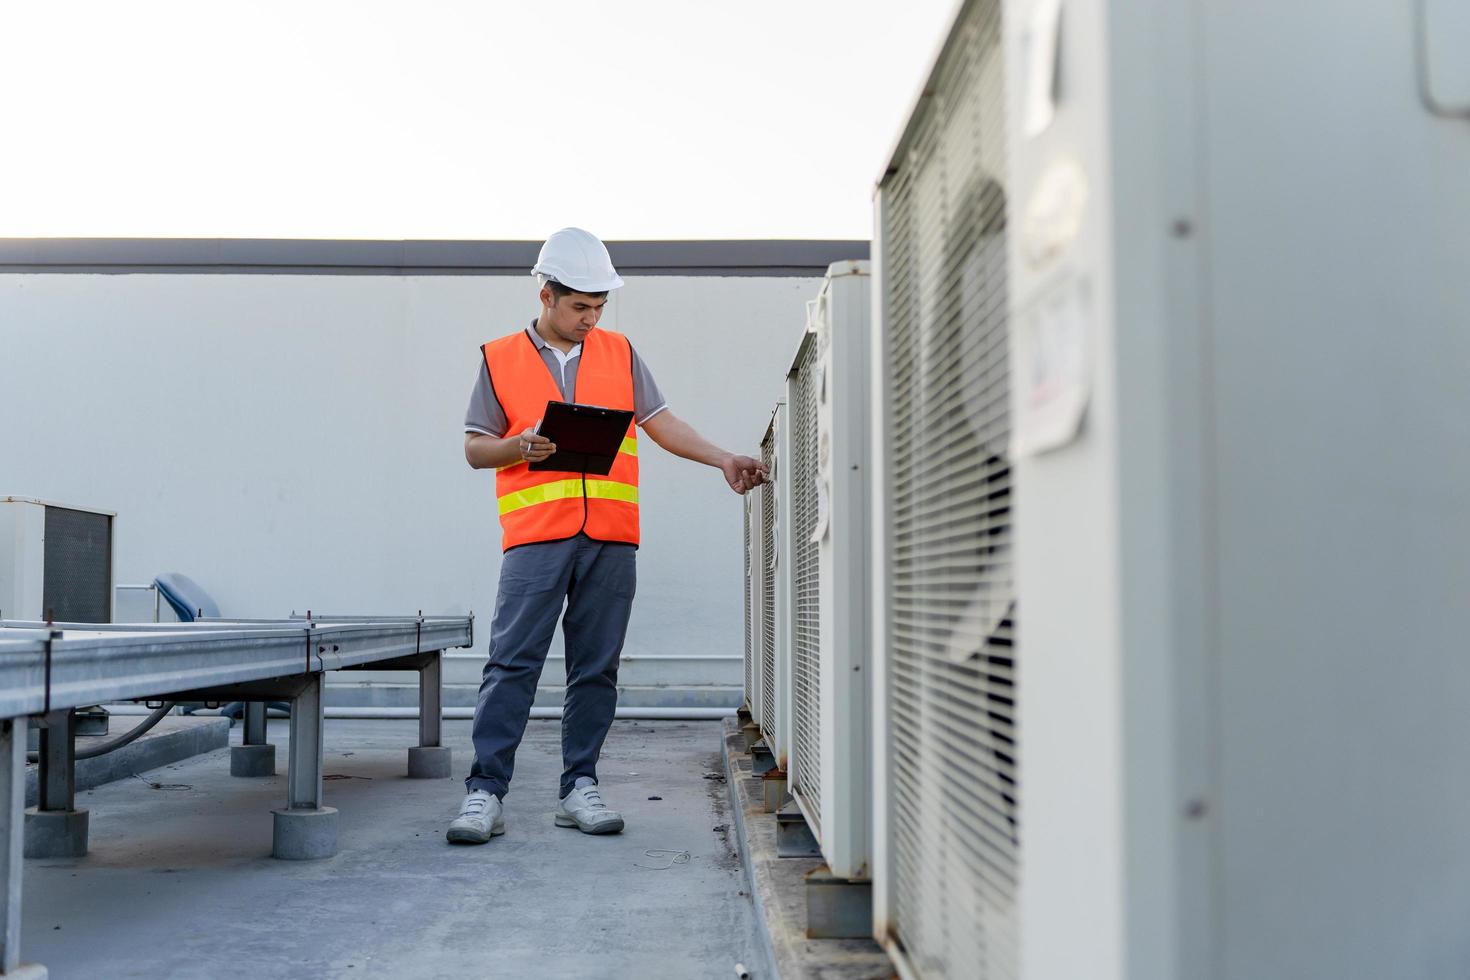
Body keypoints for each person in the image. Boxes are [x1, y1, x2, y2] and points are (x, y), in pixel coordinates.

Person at [447, 227, 768, 844]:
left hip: (611, 538)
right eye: (580, 307)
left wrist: (722, 457)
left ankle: (579, 788)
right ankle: (484, 792)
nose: (592, 318)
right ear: (547, 294)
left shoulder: (619, 352)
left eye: (599, 307)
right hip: (536, 537)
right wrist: (518, 446)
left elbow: (661, 422)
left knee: (596, 668)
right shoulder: (499, 358)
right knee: (511, 665)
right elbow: (473, 448)